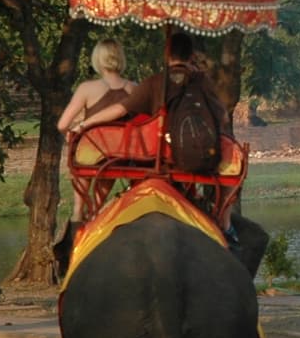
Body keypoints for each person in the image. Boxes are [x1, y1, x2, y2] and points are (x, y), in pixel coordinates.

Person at [73, 30, 239, 244]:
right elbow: (223, 117)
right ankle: (224, 224)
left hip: (157, 158)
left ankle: (83, 222)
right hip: (200, 158)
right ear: (191, 56)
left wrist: (84, 125)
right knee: (232, 171)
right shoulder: (202, 82)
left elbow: (120, 110)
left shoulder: (155, 82)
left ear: (167, 54)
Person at [57, 38, 135, 223]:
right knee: (107, 157)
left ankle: (78, 211)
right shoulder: (134, 88)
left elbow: (62, 125)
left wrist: (71, 134)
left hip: (90, 154)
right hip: (119, 156)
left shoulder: (87, 88)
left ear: (97, 59)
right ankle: (97, 209)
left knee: (83, 154)